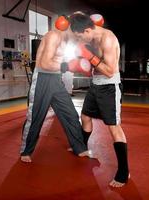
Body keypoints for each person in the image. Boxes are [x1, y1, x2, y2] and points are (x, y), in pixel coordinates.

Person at [20, 16, 93, 163]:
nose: (77, 35)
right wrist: (68, 66)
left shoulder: (67, 41)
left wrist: (75, 63)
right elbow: (45, 63)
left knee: (70, 114)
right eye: (77, 32)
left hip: (56, 80)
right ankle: (25, 151)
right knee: (36, 116)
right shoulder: (53, 36)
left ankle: (79, 147)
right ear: (70, 28)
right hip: (42, 79)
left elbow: (60, 62)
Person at [69, 13, 130, 187]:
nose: (81, 40)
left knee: (114, 127)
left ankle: (124, 172)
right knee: (85, 116)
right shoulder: (91, 36)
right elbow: (95, 65)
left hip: (109, 87)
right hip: (95, 85)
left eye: (81, 36)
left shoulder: (108, 39)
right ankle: (82, 147)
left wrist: (88, 56)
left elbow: (110, 71)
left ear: (87, 30)